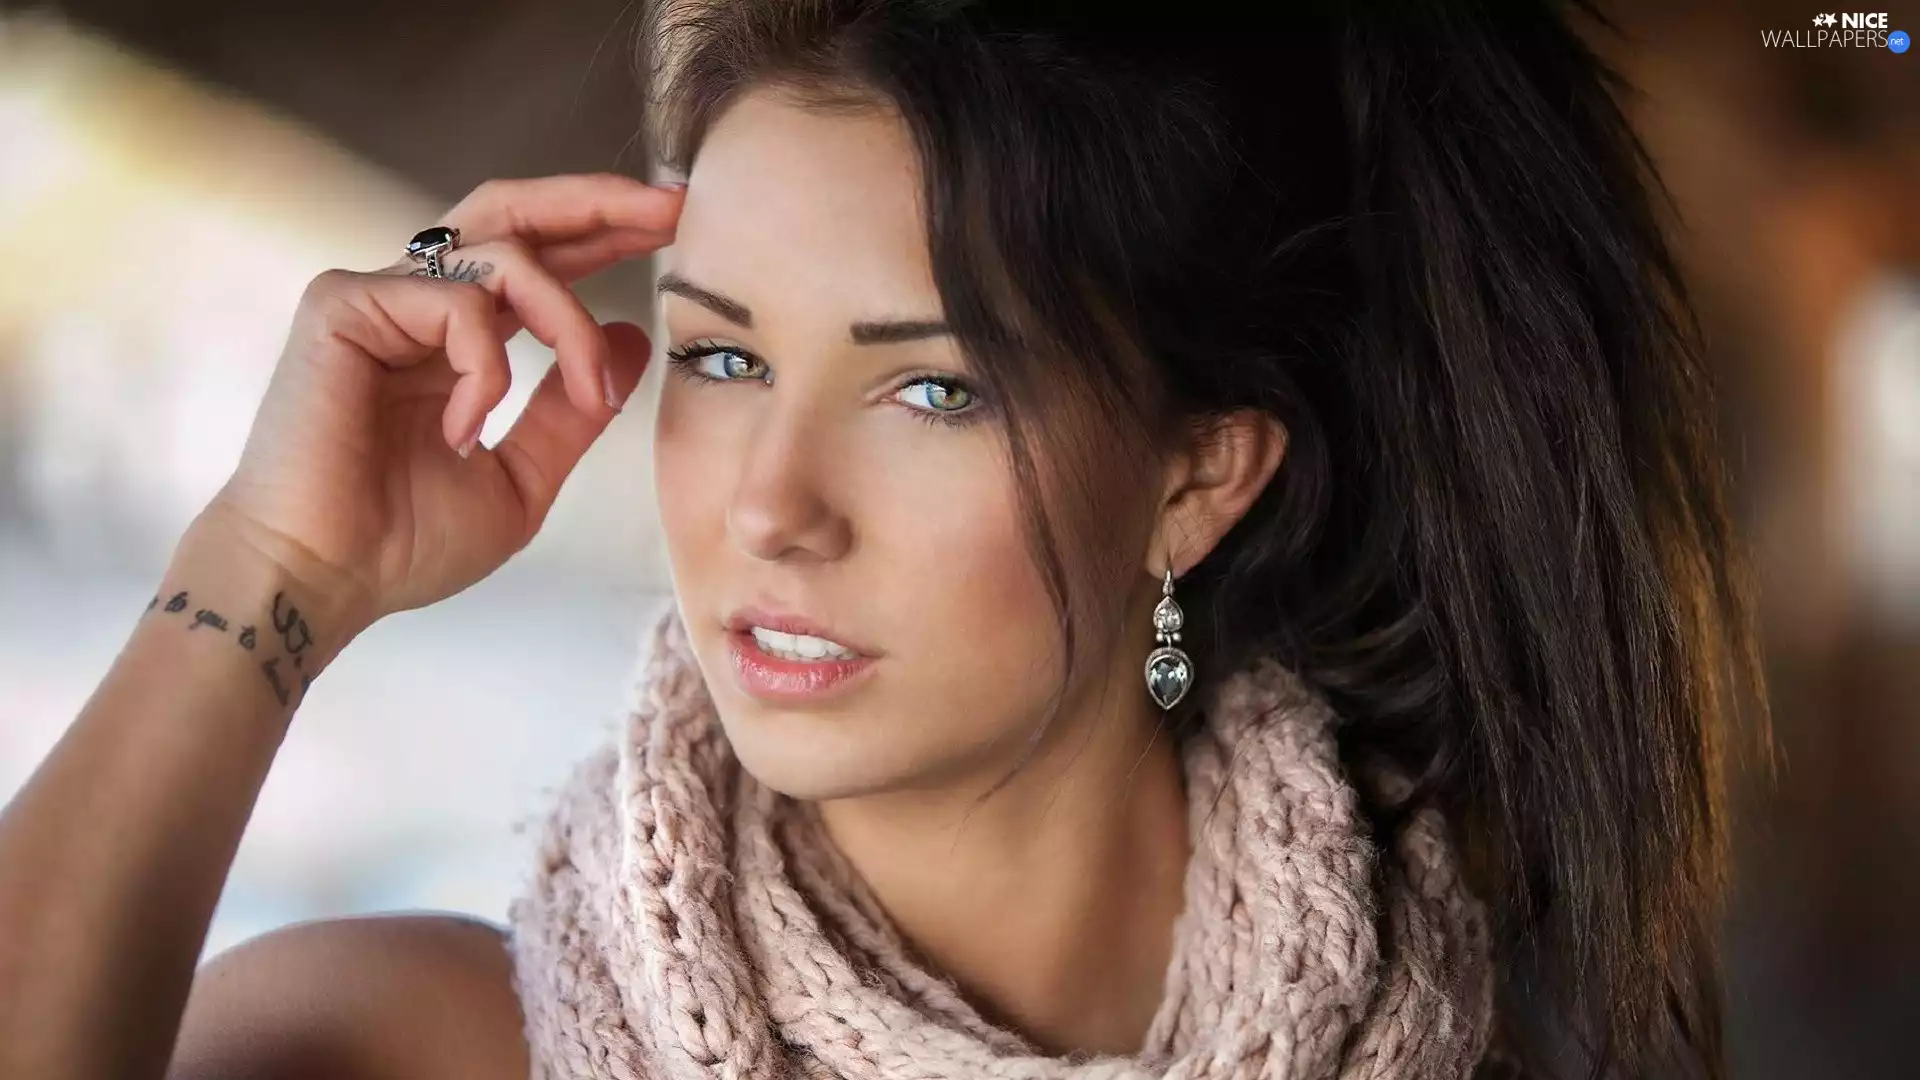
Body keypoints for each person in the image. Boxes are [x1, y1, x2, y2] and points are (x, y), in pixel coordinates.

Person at [0, 1, 1772, 1078]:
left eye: (935, 391)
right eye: (719, 355)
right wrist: (271, 563)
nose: (769, 504)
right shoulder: (418, 1046)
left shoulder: (1471, 1046)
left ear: (1198, 479)